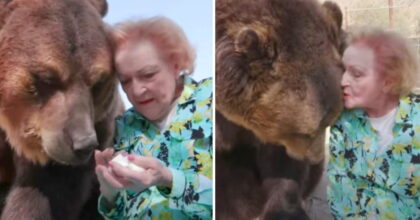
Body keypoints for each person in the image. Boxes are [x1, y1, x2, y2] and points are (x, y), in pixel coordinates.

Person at [94, 17, 213, 219]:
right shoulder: (123, 127)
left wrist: (169, 180)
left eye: (148, 75)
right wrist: (110, 193)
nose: (137, 91)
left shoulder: (213, 103)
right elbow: (120, 213)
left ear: (177, 64)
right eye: (125, 81)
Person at [327, 27, 420, 219]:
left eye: (356, 74)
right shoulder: (342, 122)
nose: (343, 81)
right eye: (343, 71)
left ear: (388, 81)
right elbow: (340, 195)